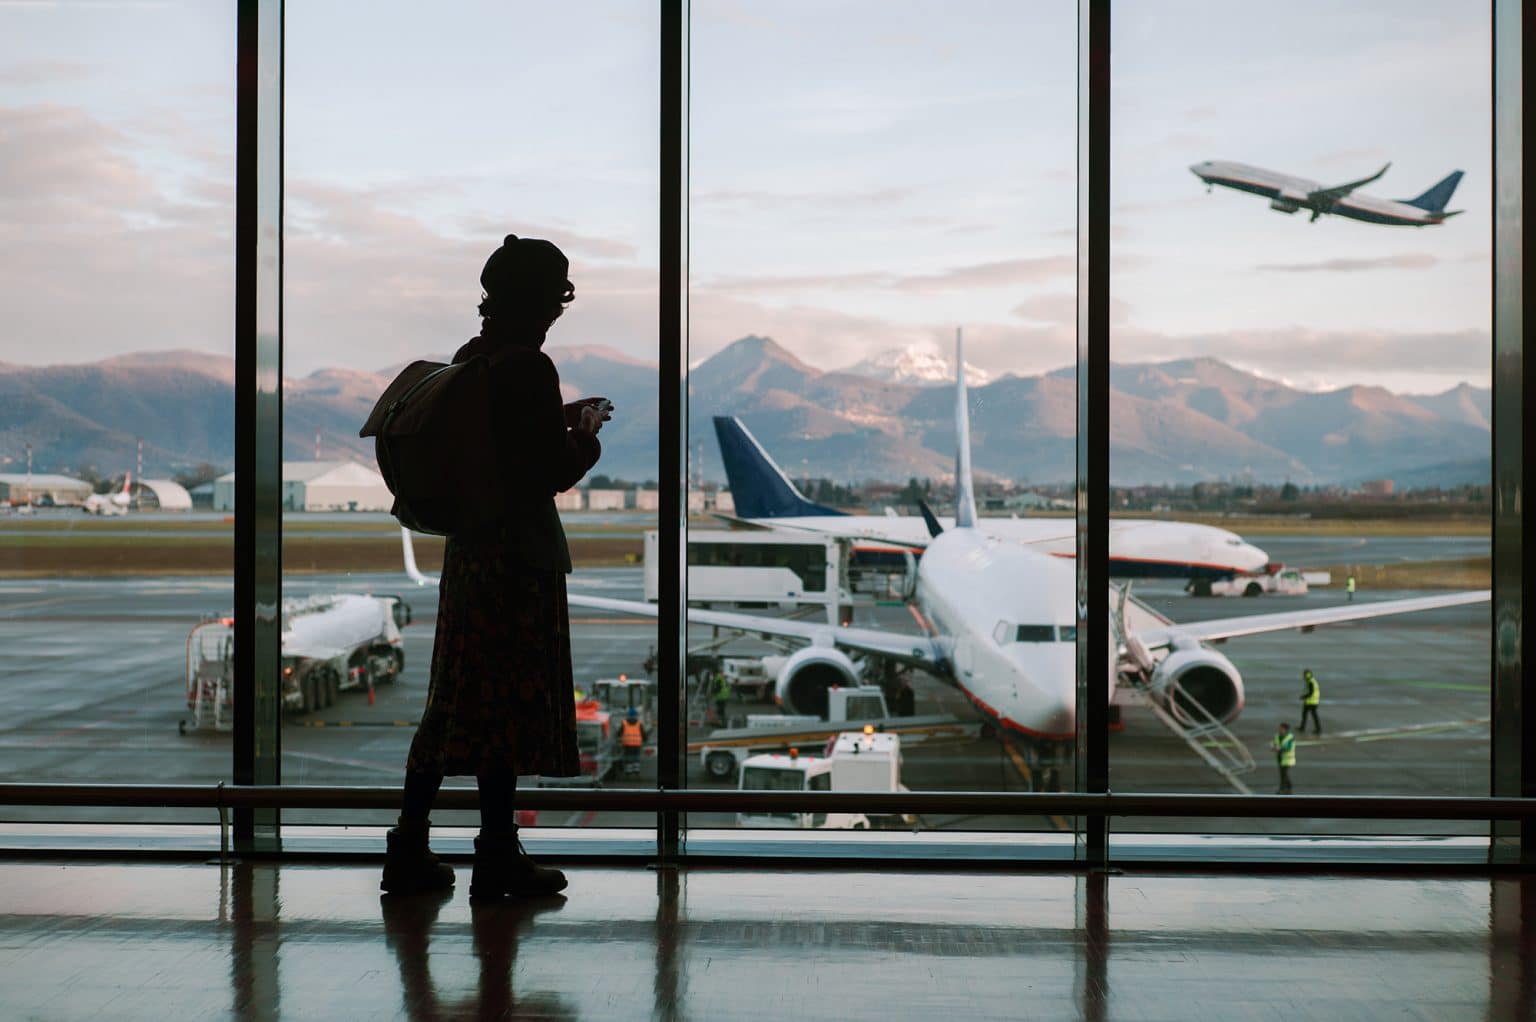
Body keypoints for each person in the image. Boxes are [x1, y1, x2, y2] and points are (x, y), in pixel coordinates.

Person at [382, 233, 612, 900]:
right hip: (519, 559)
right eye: (557, 299)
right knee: (507, 711)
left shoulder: (471, 360)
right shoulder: (530, 369)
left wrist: (558, 424)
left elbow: (500, 448)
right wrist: (587, 441)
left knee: (453, 702)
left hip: (471, 556)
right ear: (544, 299)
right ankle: (496, 856)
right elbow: (545, 470)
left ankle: (409, 845)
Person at [1272, 722, 1296, 794]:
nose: (1279, 729)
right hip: (1280, 758)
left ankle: (1282, 789)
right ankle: (1289, 786)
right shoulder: (1277, 736)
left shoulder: (1290, 737)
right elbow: (1275, 743)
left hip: (1288, 759)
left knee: (1283, 775)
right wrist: (1274, 747)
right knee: (1284, 774)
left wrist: (1280, 748)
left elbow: (1289, 747)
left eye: (1281, 728)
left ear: (1285, 729)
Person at [620, 707, 645, 776]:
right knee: (636, 756)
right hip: (637, 743)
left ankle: (628, 771)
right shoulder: (639, 723)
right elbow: (643, 733)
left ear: (628, 715)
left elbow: (620, 732)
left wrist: (618, 737)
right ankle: (636, 770)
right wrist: (645, 739)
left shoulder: (624, 723)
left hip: (627, 743)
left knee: (628, 757)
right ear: (636, 715)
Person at [1299, 668, 1322, 735]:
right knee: (1305, 714)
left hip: (1312, 702)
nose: (1303, 676)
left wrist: (1304, 697)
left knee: (1313, 716)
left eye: (1304, 674)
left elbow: (1311, 692)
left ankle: (1318, 729)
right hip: (1310, 701)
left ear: (1306, 675)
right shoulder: (1311, 681)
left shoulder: (1311, 682)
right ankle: (1302, 727)